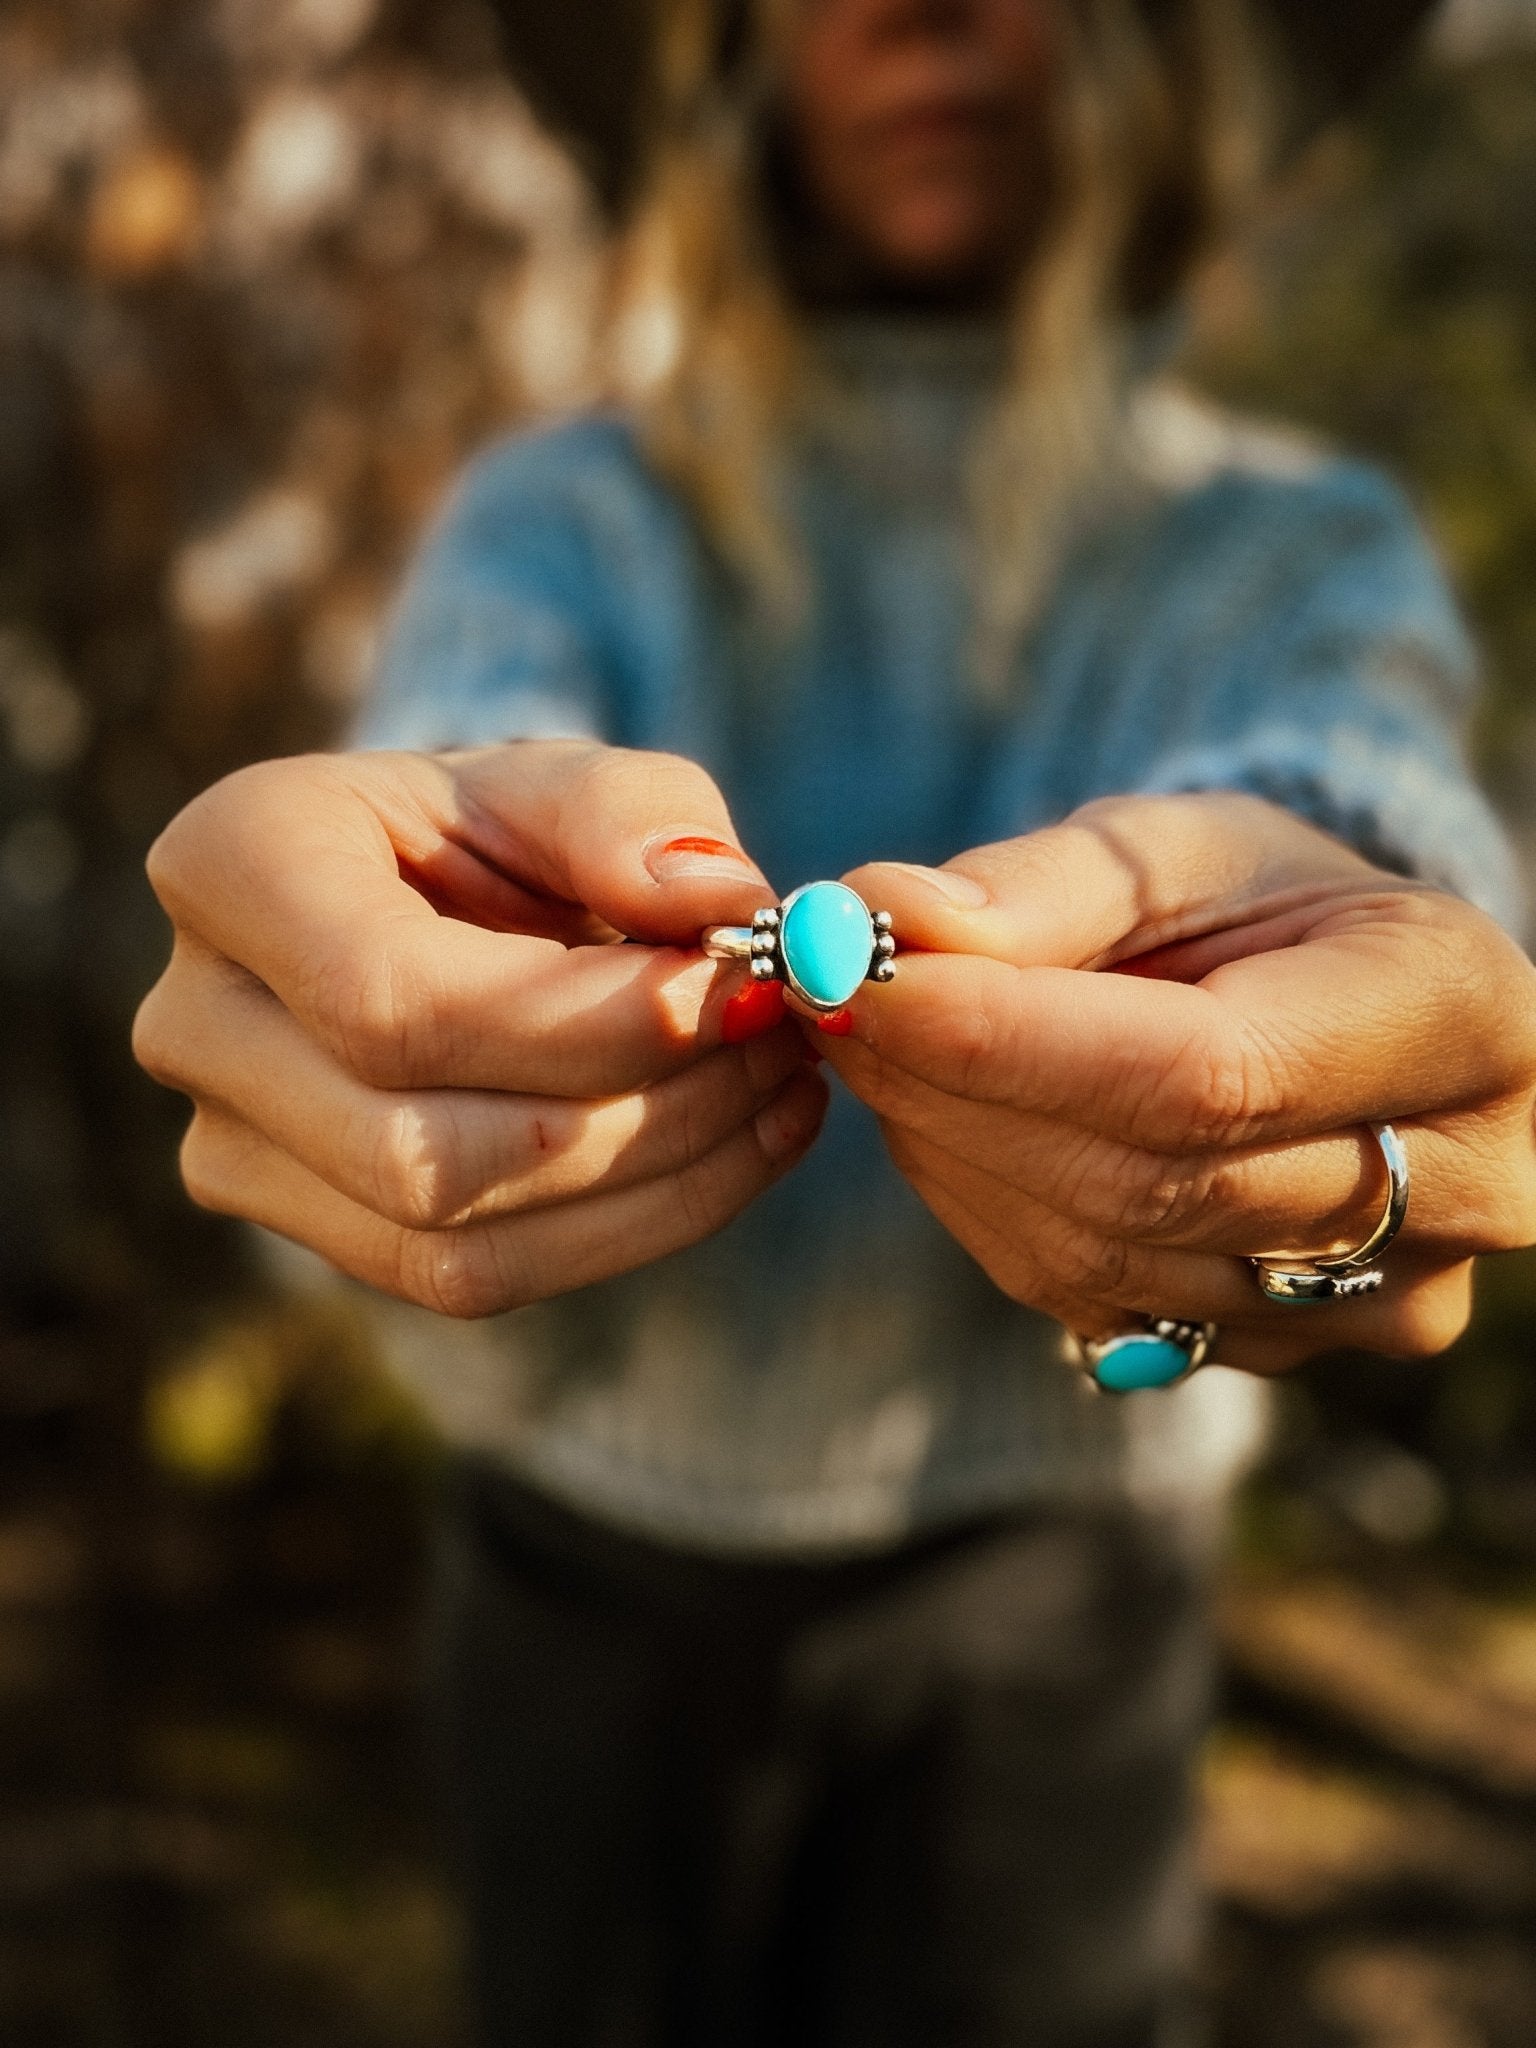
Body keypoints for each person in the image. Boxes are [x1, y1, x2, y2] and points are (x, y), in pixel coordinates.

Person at [133, 0, 1536, 2041]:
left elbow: (1349, 754)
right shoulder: (573, 514)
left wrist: (1353, 900)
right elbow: (467, 728)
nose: (928, 13)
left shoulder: (1283, 548)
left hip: (1059, 1604)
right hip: (580, 1583)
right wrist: (403, 900)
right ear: (732, 60)